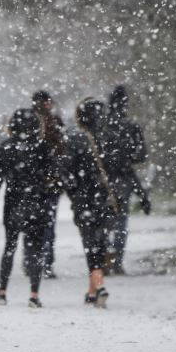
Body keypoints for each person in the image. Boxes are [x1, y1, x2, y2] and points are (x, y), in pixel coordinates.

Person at [0, 108, 56, 308]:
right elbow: (54, 178)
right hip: (38, 202)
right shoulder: (43, 147)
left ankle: (2, 290)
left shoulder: (6, 147)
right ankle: (34, 294)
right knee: (35, 250)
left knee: (10, 247)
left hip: (13, 203)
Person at [62, 97, 122, 307]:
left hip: (84, 198)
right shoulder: (109, 136)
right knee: (101, 242)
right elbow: (118, 166)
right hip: (105, 197)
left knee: (90, 244)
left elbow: (66, 170)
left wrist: (72, 191)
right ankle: (93, 289)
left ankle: (99, 285)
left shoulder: (74, 138)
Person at [100, 84, 151, 275]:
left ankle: (104, 258)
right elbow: (141, 155)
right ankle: (117, 261)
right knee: (121, 222)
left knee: (104, 222)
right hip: (124, 178)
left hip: (103, 180)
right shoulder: (131, 127)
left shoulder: (102, 127)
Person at [31, 89, 65, 278]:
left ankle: (38, 261)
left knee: (38, 224)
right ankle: (44, 262)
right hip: (48, 181)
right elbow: (61, 150)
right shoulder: (53, 122)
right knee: (47, 224)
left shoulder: (31, 121)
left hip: (40, 182)